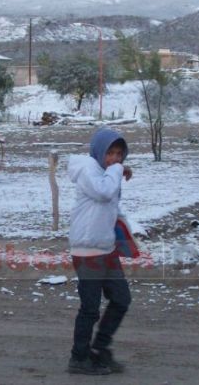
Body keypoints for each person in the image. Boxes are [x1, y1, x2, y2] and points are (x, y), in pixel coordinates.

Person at [66, 127, 133, 375]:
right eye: (110, 153)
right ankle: (79, 358)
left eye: (119, 154)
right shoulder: (87, 170)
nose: (114, 158)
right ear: (98, 151)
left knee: (121, 299)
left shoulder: (107, 173)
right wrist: (118, 170)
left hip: (106, 248)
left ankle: (99, 348)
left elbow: (111, 207)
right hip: (87, 250)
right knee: (90, 309)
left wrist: (128, 233)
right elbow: (103, 193)